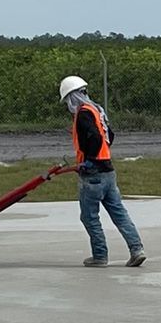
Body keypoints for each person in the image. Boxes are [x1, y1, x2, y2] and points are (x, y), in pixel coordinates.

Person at [59, 75, 145, 268]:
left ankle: (100, 255)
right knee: (119, 213)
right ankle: (137, 249)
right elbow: (109, 135)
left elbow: (96, 138)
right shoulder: (97, 110)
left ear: (72, 97)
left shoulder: (83, 114)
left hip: (93, 175)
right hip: (108, 170)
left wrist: (88, 162)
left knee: (89, 216)